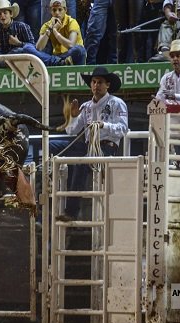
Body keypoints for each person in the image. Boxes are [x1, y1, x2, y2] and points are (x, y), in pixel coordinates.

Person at [50, 66, 128, 221]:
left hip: (106, 147)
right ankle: (46, 177)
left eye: (100, 82)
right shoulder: (86, 107)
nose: (96, 85)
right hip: (87, 146)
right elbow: (72, 131)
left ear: (107, 85)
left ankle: (71, 212)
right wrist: (72, 117)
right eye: (93, 82)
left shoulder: (116, 103)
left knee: (81, 162)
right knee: (51, 145)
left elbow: (123, 129)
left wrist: (103, 125)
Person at [31, 0, 85, 65]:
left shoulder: (72, 22)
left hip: (71, 54)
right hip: (57, 57)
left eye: (60, 10)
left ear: (65, 10)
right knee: (28, 48)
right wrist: (50, 29)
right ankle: (59, 62)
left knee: (79, 49)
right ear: (50, 11)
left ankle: (53, 62)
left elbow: (71, 45)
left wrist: (55, 32)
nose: (57, 13)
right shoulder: (47, 25)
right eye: (54, 10)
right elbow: (39, 48)